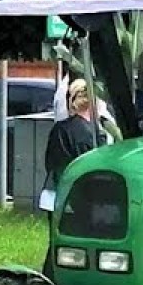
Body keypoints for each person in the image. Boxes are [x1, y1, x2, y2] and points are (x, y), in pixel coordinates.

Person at [42, 76, 104, 214]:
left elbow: (49, 163)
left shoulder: (59, 129)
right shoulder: (94, 135)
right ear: (94, 104)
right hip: (84, 200)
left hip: (54, 196)